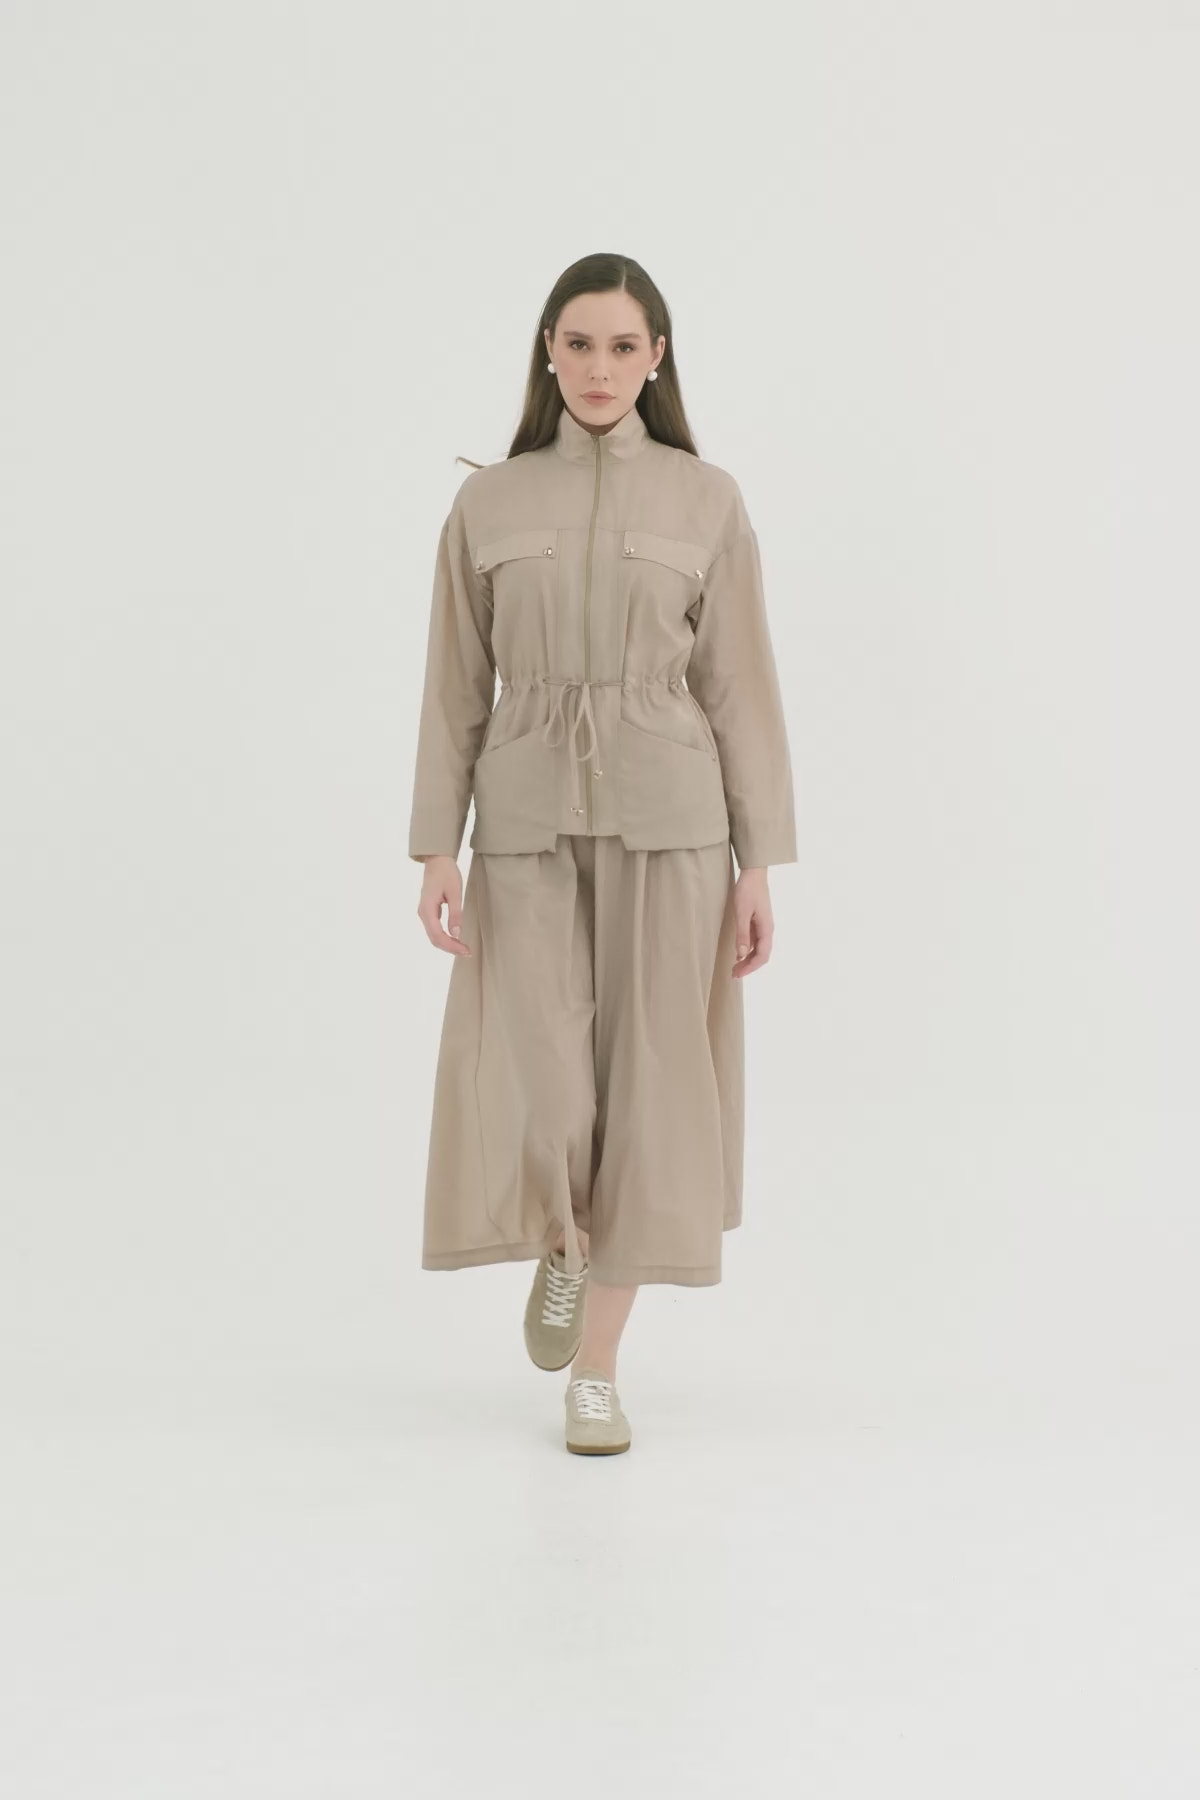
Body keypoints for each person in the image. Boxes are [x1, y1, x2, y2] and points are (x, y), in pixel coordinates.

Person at [408, 252, 797, 1455]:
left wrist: (758, 861)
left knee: (652, 1092)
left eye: (624, 346)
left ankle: (598, 1371)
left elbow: (739, 685)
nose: (599, 367)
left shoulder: (706, 498)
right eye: (579, 343)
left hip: (674, 827)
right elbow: (455, 686)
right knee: (547, 1084)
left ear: (657, 358)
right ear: (548, 350)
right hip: (523, 821)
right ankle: (563, 1239)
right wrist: (435, 847)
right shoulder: (489, 503)